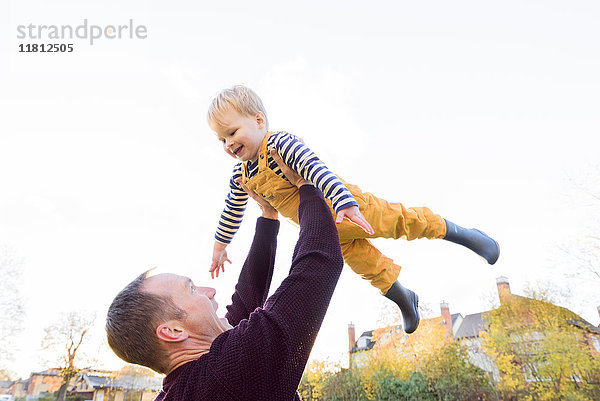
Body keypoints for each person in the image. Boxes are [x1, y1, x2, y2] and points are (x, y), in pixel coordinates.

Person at [208, 85, 500, 333]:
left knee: (402, 222)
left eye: (232, 132)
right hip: (323, 227)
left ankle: (465, 235)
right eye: (221, 139)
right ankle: (404, 298)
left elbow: (315, 169)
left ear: (259, 120)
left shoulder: (280, 144)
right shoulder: (241, 175)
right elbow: (232, 210)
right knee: (367, 265)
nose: (228, 143)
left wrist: (343, 202)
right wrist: (220, 246)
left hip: (347, 206)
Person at [106, 152, 344, 400]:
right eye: (192, 290)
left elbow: (244, 304)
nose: (210, 291)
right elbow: (319, 265)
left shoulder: (190, 384)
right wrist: (306, 184)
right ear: (173, 331)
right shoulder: (228, 374)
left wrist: (268, 217)